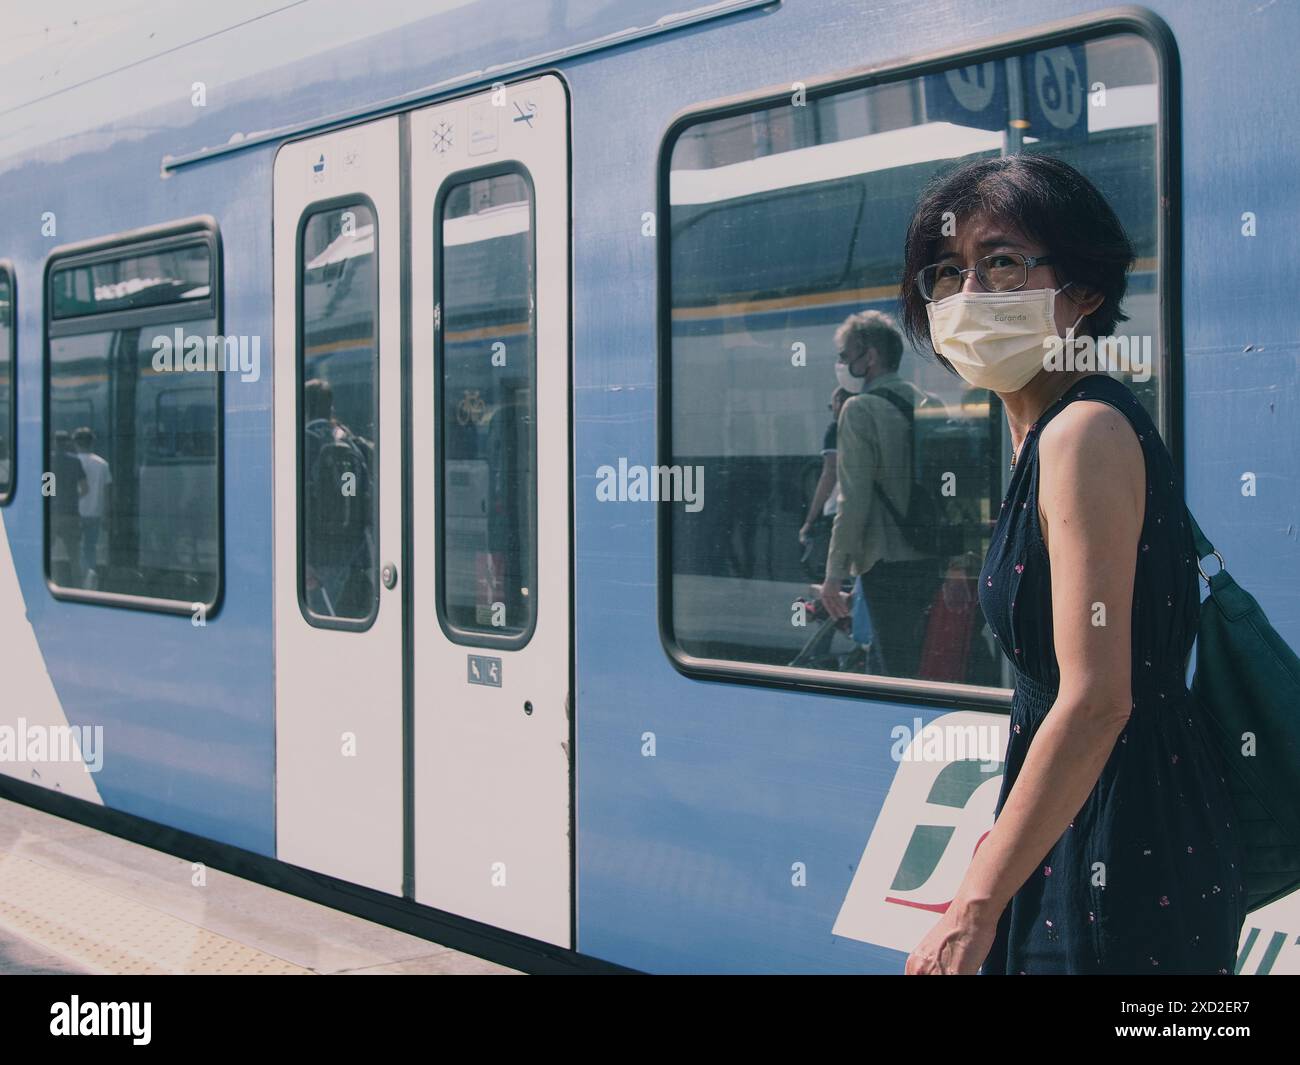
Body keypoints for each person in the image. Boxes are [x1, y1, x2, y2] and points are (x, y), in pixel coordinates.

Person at [898, 153, 1245, 975]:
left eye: (1003, 263)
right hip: (1095, 810)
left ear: (1083, 291)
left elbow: (1095, 701)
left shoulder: (1081, 433)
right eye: (946, 273)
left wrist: (970, 909)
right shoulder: (1041, 430)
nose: (968, 295)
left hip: (1124, 835)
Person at [816, 309, 943, 678]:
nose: (841, 365)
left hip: (883, 561)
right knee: (923, 659)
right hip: (928, 553)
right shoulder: (928, 402)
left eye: (844, 356)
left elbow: (852, 500)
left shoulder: (859, 410)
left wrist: (834, 574)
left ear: (869, 357)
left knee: (892, 665)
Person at [302, 378, 375, 617]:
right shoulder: (351, 441)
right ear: (330, 407)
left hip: (319, 558)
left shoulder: (303, 442)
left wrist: (303, 559)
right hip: (355, 553)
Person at [798, 386, 850, 579]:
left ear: (840, 403)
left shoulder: (836, 428)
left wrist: (810, 520)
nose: (832, 410)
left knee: (835, 575)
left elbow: (829, 475)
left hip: (839, 511)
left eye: (832, 405)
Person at [73, 427, 111, 587]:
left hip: (75, 512)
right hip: (95, 512)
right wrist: (106, 514)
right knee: (90, 548)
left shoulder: (72, 461)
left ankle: (80, 579)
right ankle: (89, 577)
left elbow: (53, 483)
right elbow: (108, 491)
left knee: (75, 548)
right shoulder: (102, 464)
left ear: (76, 443)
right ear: (92, 443)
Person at [49, 430, 87, 586]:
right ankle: (78, 587)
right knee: (74, 556)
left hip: (52, 514)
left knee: (48, 553)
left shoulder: (48, 461)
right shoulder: (75, 461)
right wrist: (73, 498)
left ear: (54, 443)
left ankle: (52, 582)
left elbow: (46, 491)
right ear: (68, 443)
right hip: (71, 513)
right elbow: (85, 488)